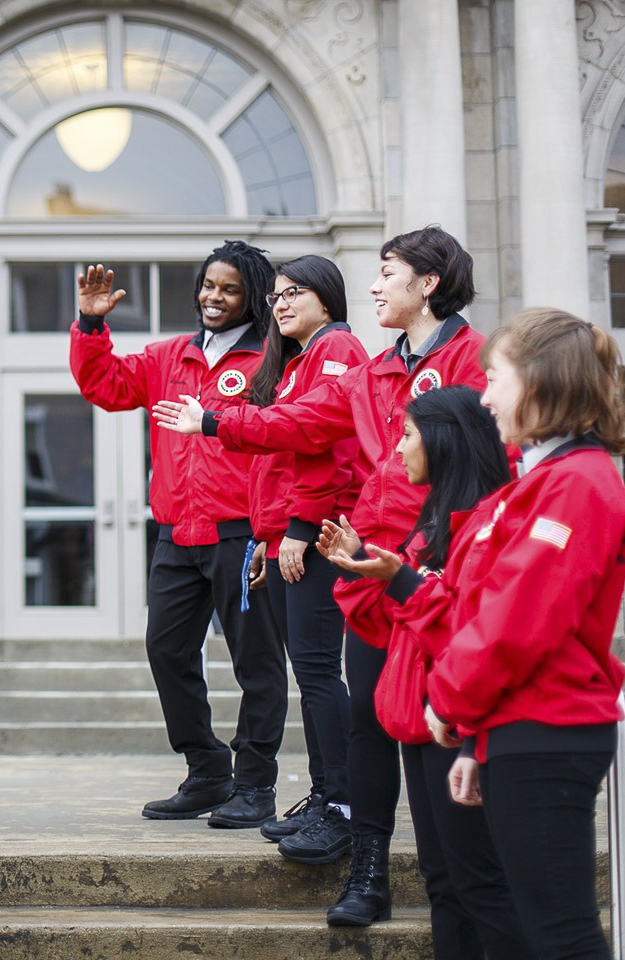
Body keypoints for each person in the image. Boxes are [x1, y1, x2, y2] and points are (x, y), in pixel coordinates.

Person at [156, 225, 484, 925]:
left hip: (439, 579)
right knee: (368, 721)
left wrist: (223, 433)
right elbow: (310, 430)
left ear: (428, 283)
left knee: (431, 733)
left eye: (388, 272)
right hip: (370, 571)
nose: (374, 286)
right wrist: (225, 435)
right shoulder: (372, 369)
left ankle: (455, 888)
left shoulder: (469, 358)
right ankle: (368, 874)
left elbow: (471, 472)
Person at [421, 311, 625, 959]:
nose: (484, 396)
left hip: (549, 728)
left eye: (495, 377)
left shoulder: (574, 485)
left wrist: (450, 703)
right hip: (523, 728)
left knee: (560, 935)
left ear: (538, 381)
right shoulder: (545, 481)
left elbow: (517, 622)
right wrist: (477, 740)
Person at [71, 243, 288, 828]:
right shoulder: (170, 356)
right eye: (208, 286)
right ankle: (206, 769)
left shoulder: (273, 358)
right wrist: (92, 324)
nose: (214, 298)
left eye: (230, 290)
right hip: (176, 534)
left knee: (256, 662)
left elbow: (286, 437)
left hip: (241, 534)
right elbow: (106, 386)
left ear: (255, 299)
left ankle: (255, 784)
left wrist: (277, 526)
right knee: (167, 649)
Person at [325, 385, 530, 959]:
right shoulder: (433, 523)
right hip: (421, 720)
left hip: (459, 721)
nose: (399, 449)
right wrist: (369, 569)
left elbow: (473, 637)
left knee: (480, 884)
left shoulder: (488, 523)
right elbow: (400, 627)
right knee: (445, 884)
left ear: (443, 442)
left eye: (408, 435)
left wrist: (400, 582)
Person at [233, 256, 367, 862]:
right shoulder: (297, 360)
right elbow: (281, 459)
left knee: (317, 673)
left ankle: (342, 804)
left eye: (297, 293)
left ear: (328, 299)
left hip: (315, 537)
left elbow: (326, 447)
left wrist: (300, 527)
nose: (281, 303)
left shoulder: (336, 346)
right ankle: (324, 793)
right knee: (310, 675)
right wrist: (267, 537)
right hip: (289, 537)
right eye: (277, 296)